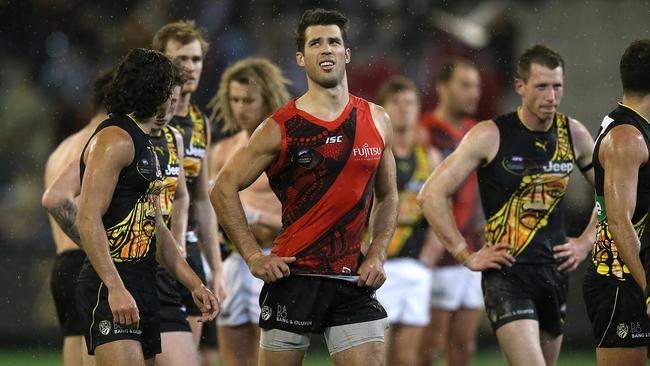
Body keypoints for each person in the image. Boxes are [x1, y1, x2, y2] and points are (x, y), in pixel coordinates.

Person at [211, 8, 398, 366]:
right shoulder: (280, 126)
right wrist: (253, 256)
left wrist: (377, 254)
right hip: (294, 276)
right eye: (315, 43)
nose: (325, 49)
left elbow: (388, 196)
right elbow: (222, 188)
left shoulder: (377, 119)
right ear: (301, 57)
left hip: (352, 279)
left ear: (347, 53)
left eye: (333, 42)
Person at [417, 44, 597, 366]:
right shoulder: (490, 134)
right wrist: (464, 254)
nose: (551, 96)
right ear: (520, 86)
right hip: (508, 275)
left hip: (554, 274)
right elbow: (431, 194)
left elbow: (614, 193)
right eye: (541, 86)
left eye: (557, 86)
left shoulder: (574, 134)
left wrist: (586, 241)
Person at [70, 48, 218, 366]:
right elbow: (87, 217)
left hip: (142, 281)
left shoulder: (146, 141)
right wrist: (115, 287)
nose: (174, 100)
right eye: (170, 92)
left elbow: (156, 227)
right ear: (160, 93)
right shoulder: (115, 140)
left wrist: (195, 284)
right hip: (110, 282)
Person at [207, 57, 290, 366]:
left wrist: (257, 216)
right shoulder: (222, 151)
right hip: (233, 260)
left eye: (249, 100)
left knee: (270, 358)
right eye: (235, 99)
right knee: (234, 360)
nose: (241, 107)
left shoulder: (284, 146)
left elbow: (300, 211)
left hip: (273, 258)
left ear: (267, 99)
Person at [152, 21, 226, 353]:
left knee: (187, 356)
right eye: (181, 59)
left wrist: (217, 269)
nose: (190, 67)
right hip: (150, 250)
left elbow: (201, 201)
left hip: (189, 251)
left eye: (196, 59)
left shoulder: (199, 123)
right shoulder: (148, 119)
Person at [583, 39, 650, 366]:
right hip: (622, 281)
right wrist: (648, 287)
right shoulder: (627, 138)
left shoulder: (634, 127)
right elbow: (619, 221)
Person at [41, 68, 114, 366]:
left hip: (62, 263)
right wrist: (95, 244)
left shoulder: (62, 148)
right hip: (87, 260)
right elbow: (58, 201)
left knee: (74, 345)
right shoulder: (101, 145)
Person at [417, 60, 485, 366]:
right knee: (427, 349)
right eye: (465, 84)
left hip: (472, 248)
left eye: (476, 85)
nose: (474, 93)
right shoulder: (425, 133)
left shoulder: (478, 132)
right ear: (442, 88)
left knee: (464, 347)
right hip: (438, 251)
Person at [373, 76, 439, 366]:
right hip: (379, 265)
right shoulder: (372, 155)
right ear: (383, 110)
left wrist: (428, 258)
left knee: (407, 357)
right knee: (376, 353)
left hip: (415, 266)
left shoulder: (429, 157)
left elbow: (440, 213)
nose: (404, 109)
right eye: (396, 103)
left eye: (410, 103)